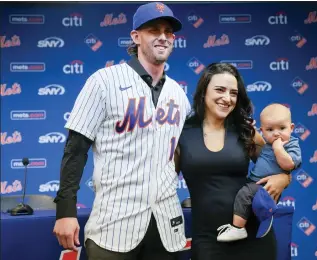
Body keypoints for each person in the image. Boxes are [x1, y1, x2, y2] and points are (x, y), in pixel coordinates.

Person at [53, 2, 191, 260]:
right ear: (136, 37)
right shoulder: (104, 82)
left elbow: (185, 152)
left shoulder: (179, 95)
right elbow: (76, 149)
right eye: (153, 30)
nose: (163, 36)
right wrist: (65, 211)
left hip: (166, 226)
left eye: (168, 31)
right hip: (114, 224)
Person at [174, 63, 292, 260]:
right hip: (208, 239)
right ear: (204, 92)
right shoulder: (181, 132)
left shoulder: (246, 131)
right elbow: (165, 182)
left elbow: (279, 166)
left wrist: (284, 178)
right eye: (220, 90)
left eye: (233, 93)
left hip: (253, 236)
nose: (227, 98)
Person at [217, 103, 302, 242]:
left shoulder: (290, 144)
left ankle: (238, 229)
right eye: (270, 129)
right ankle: (263, 219)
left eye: (282, 128)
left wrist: (278, 149)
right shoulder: (267, 145)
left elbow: (289, 165)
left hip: (265, 186)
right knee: (248, 199)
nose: (276, 133)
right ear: (262, 131)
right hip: (254, 182)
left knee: (246, 195)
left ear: (291, 128)